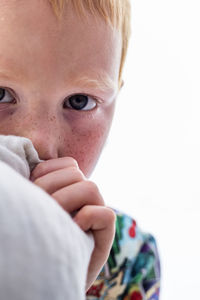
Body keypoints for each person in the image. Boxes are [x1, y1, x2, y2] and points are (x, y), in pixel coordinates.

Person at [0, 0, 161, 299]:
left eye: (79, 101)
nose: (40, 143)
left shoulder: (128, 262)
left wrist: (63, 284)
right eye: (1, 95)